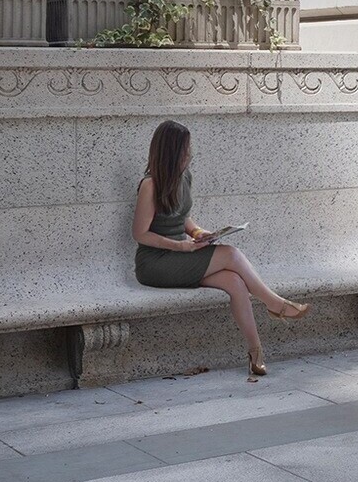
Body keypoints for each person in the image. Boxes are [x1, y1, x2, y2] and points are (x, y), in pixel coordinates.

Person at [132, 120, 309, 378]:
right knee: (232, 254)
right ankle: (276, 304)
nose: (189, 154)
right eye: (184, 149)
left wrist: (198, 233)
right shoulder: (150, 185)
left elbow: (182, 218)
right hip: (155, 263)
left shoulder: (184, 177)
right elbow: (140, 233)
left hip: (179, 256)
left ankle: (255, 353)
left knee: (236, 283)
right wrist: (180, 246)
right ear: (171, 152)